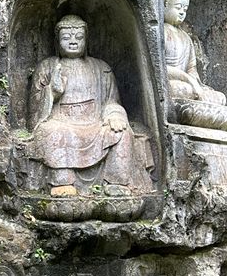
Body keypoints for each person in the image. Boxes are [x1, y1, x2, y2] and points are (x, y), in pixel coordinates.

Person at [28, 14, 153, 196]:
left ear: (86, 40)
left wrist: (114, 116)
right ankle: (63, 181)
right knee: (51, 132)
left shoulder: (101, 68)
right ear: (57, 41)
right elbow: (35, 112)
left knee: (122, 133)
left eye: (78, 37)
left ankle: (116, 183)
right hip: (61, 122)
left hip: (95, 123)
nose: (72, 42)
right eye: (66, 38)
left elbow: (111, 101)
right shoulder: (47, 67)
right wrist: (52, 92)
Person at [164, 0, 227, 130]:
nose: (182, 12)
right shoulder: (159, 32)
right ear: (164, 5)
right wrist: (189, 81)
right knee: (181, 90)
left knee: (220, 98)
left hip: (191, 86)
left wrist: (197, 83)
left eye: (185, 9)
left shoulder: (186, 38)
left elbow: (191, 68)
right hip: (173, 84)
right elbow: (159, 67)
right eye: (178, 7)